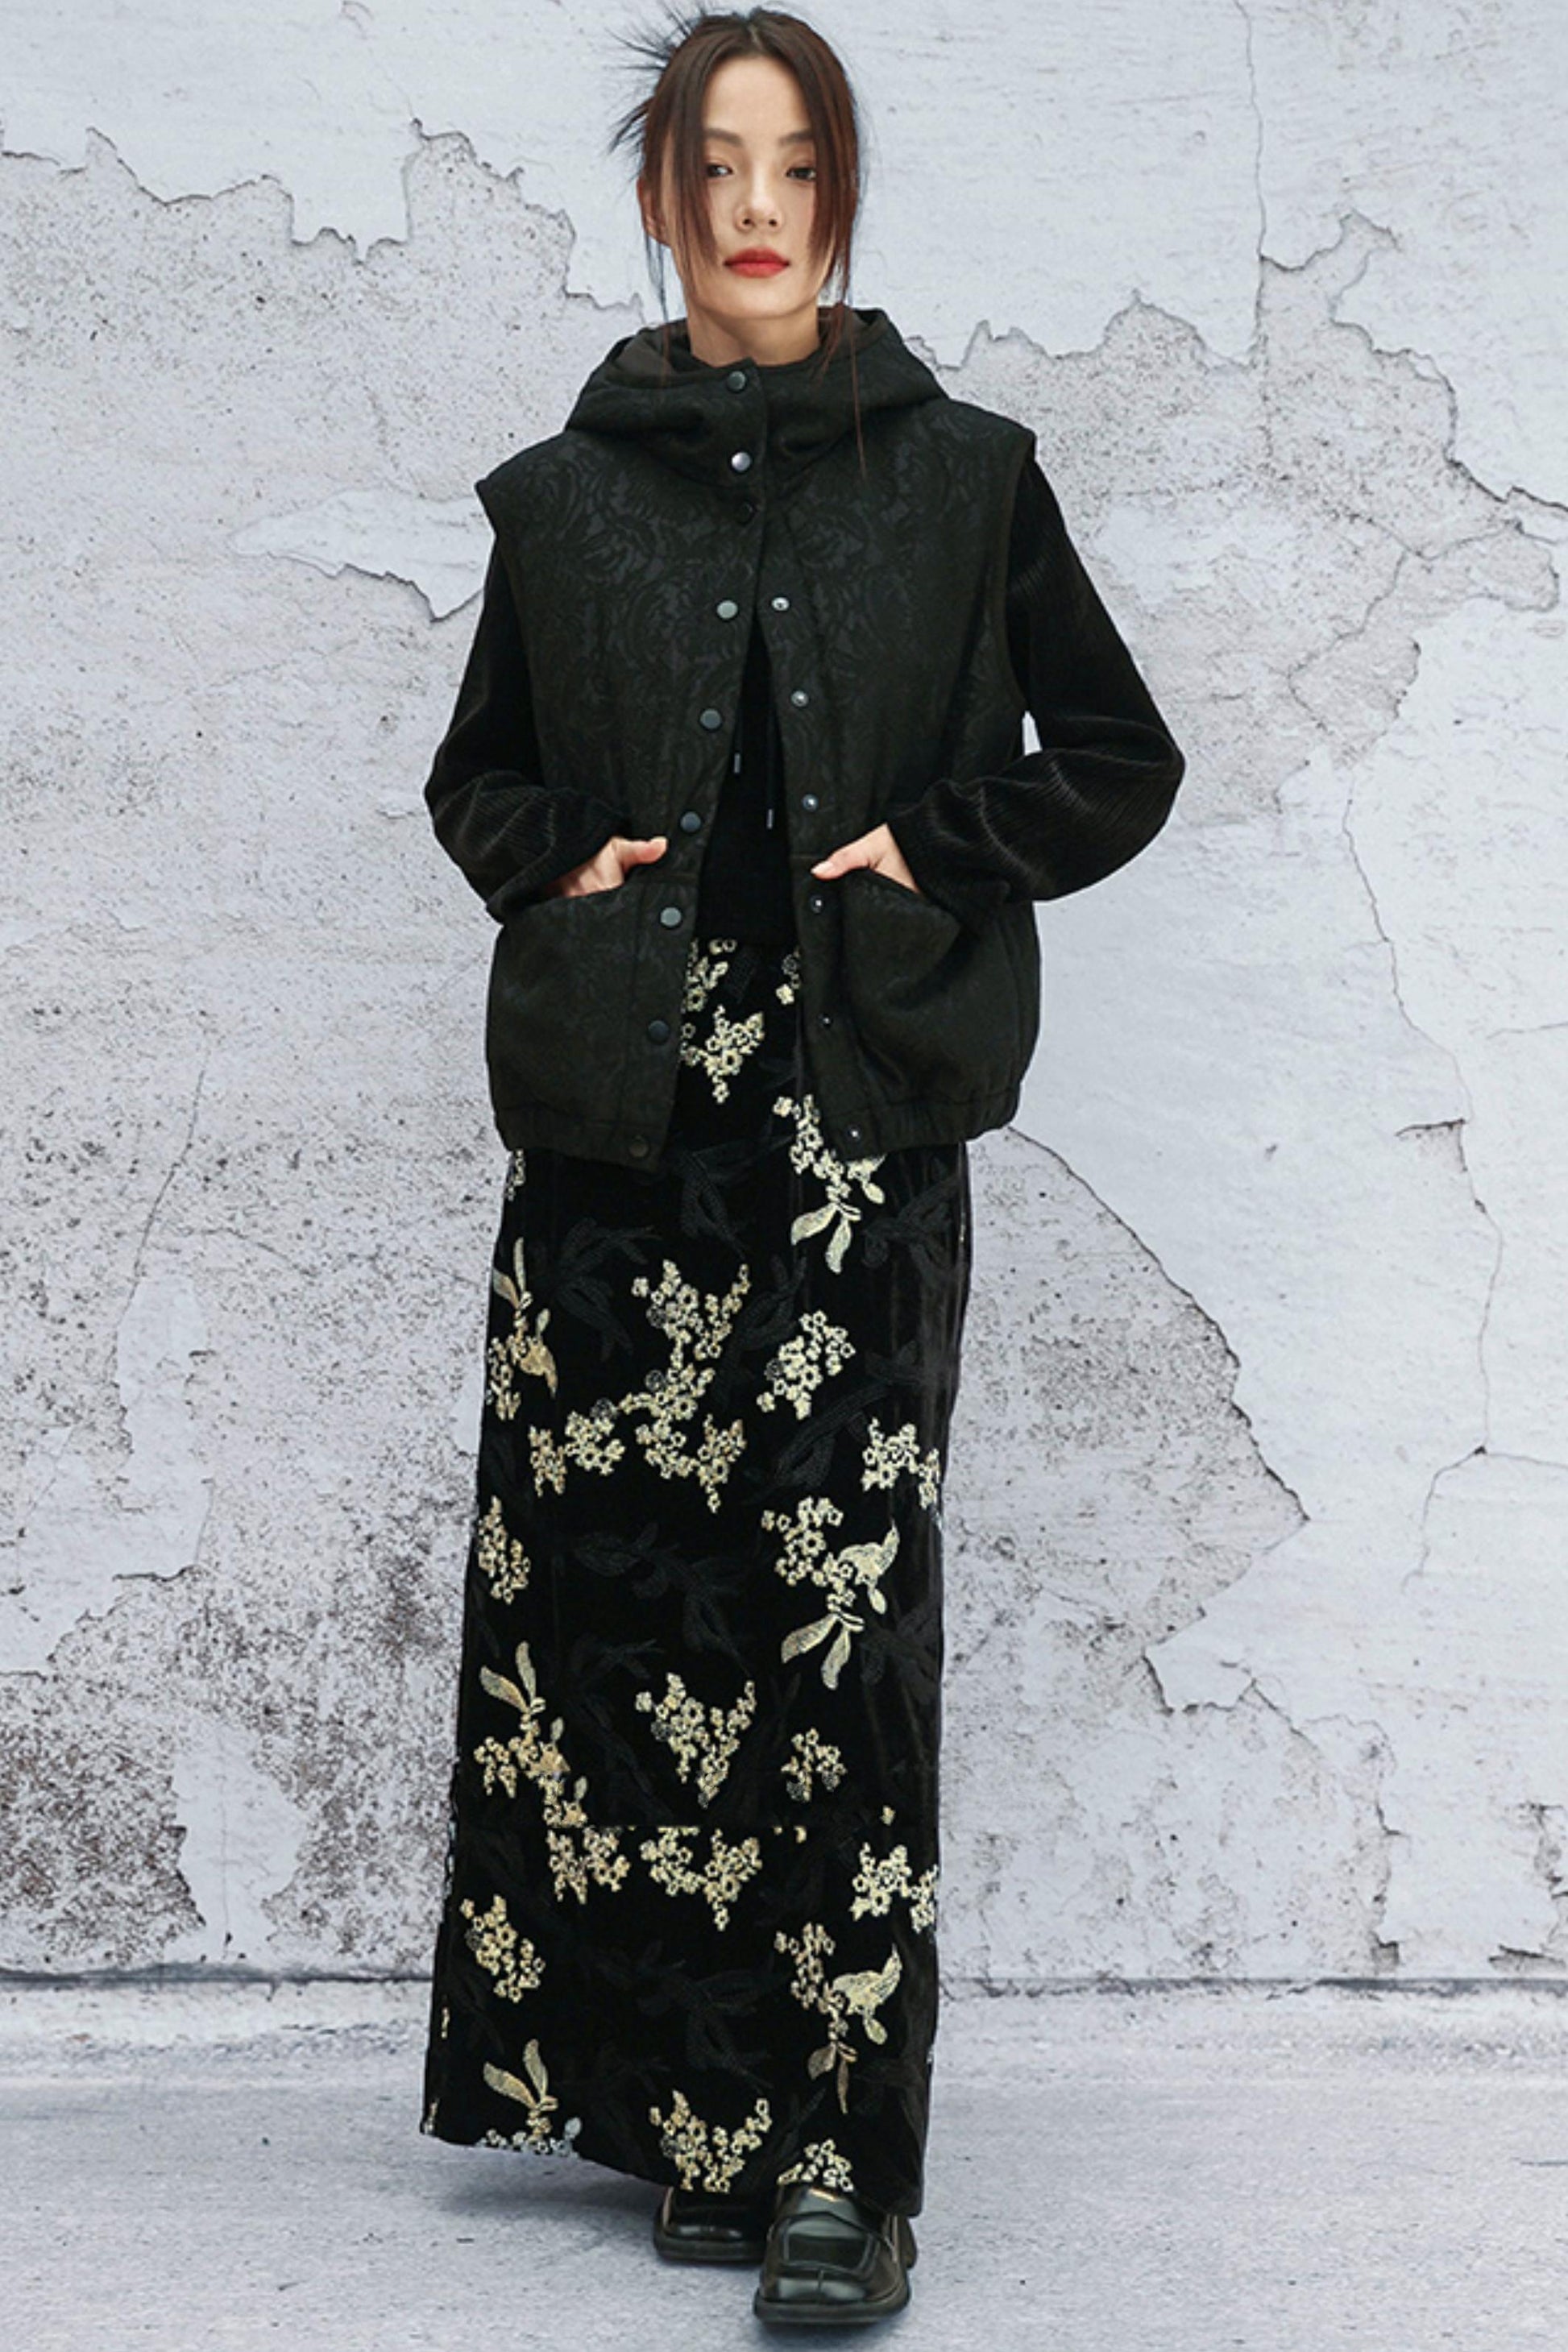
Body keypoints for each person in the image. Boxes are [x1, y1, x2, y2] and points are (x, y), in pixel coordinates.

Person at [417, 6, 1185, 2327]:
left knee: (831, 1626)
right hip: (614, 1133)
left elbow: (1119, 754)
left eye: (797, 167)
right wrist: (561, 858)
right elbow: (474, 781)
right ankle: (688, 2120)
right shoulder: (562, 499)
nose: (756, 210)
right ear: (660, 197)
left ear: (840, 194)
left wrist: (937, 840)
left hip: (852, 1132)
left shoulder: (963, 478)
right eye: (715, 168)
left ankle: (839, 2160)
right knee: (622, 1605)